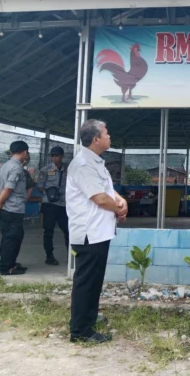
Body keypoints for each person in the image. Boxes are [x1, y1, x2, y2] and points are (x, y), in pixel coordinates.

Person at [67, 120, 128, 344]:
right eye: (106, 132)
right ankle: (80, 331)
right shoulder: (83, 164)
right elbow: (100, 198)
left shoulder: (95, 162)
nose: (109, 136)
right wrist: (119, 209)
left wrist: (121, 201)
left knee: (94, 281)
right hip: (88, 234)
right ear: (95, 139)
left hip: (100, 232)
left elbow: (108, 191)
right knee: (86, 281)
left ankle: (88, 317)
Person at [0, 141, 30, 276]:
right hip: (13, 209)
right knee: (11, 238)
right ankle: (6, 268)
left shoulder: (5, 166)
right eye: (26, 153)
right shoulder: (17, 168)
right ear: (24, 152)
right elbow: (8, 189)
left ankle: (10, 263)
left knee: (12, 237)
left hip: (7, 209)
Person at [38, 146, 69, 266]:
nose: (54, 158)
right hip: (49, 204)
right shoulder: (45, 170)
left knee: (68, 230)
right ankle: (49, 256)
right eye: (52, 156)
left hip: (63, 204)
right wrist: (50, 193)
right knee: (48, 231)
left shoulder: (68, 169)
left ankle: (70, 256)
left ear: (61, 156)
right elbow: (40, 186)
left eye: (56, 155)